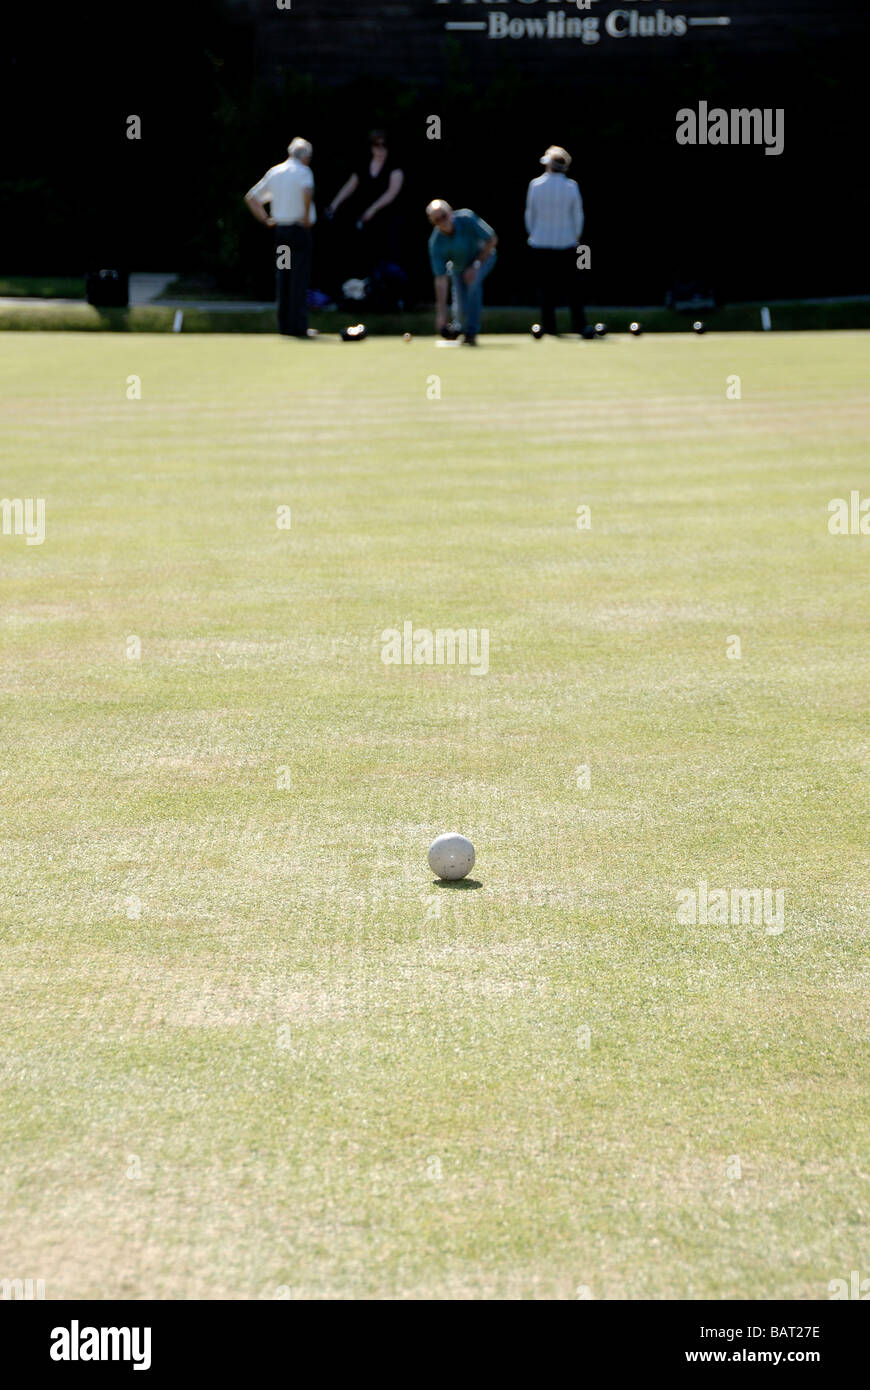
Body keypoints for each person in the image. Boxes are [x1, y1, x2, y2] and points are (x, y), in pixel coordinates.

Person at [244, 136, 316, 338]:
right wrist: (305, 217)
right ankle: (299, 327)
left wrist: (266, 220)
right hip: (299, 232)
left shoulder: (275, 172)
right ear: (306, 157)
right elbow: (307, 192)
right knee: (299, 277)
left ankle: (284, 325)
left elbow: (252, 198)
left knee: (284, 274)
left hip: (282, 234)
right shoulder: (304, 172)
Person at [525, 145, 587, 337]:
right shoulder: (571, 186)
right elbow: (578, 215)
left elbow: (529, 214)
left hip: (540, 242)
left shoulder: (535, 185)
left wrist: (533, 233)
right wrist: (576, 236)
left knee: (546, 288)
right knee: (573, 288)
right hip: (566, 242)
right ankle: (579, 325)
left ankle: (550, 327)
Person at [325, 130, 404, 274]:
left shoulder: (395, 165)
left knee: (389, 256)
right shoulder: (363, 164)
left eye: (383, 145)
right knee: (365, 253)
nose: (380, 149)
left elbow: (392, 192)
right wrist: (334, 205)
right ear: (371, 147)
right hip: (366, 219)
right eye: (376, 145)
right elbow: (350, 186)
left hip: (388, 218)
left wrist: (372, 210)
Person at [426, 200, 498, 346]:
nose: (442, 222)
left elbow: (492, 239)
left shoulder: (467, 218)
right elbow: (441, 279)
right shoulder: (435, 243)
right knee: (459, 304)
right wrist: (441, 315)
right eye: (437, 220)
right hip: (459, 268)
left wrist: (475, 265)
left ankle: (471, 332)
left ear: (450, 212)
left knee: (472, 282)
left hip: (483, 258)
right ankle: (458, 328)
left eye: (443, 216)